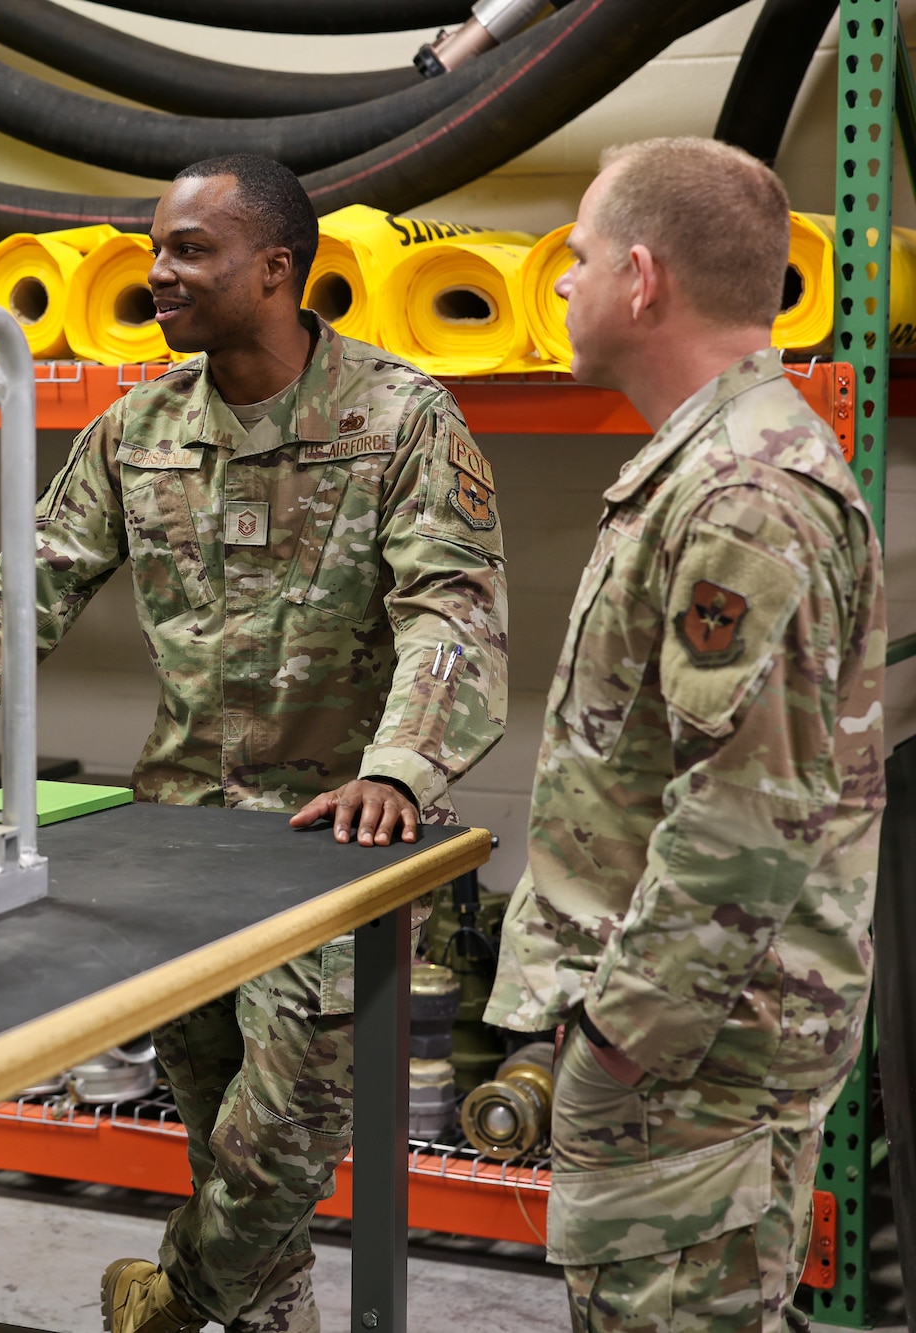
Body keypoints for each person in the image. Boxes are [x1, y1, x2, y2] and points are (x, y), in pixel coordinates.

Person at [0, 155, 510, 1332]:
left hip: (330, 844)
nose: (158, 272)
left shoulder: (399, 418)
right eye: (155, 248)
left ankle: (166, 1299)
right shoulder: (137, 427)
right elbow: (22, 595)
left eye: (190, 250)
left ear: (273, 269)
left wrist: (398, 767)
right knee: (213, 1133)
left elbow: (451, 612)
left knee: (282, 1140)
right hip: (181, 845)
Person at [485, 137, 886, 1331]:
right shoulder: (713, 465)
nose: (562, 280)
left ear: (642, 279)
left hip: (692, 1059)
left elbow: (743, 820)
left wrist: (620, 1041)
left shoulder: (741, 495)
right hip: (694, 1042)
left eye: (580, 255)